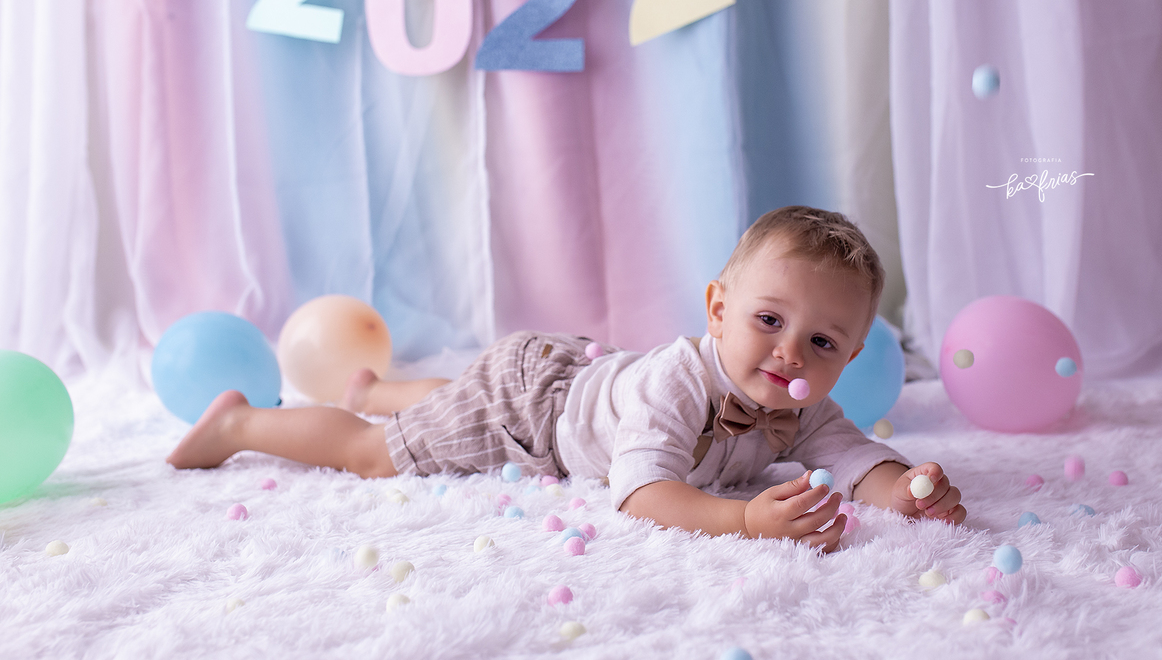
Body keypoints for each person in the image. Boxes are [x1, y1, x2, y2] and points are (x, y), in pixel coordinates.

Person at [168, 206, 965, 550]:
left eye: (821, 341)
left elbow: (860, 461)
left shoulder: (805, 407)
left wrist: (909, 490)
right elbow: (641, 492)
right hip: (532, 405)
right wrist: (744, 522)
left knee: (441, 406)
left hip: (585, 372)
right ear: (717, 309)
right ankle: (240, 423)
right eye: (768, 321)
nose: (790, 353)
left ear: (850, 357)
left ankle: (377, 389)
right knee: (381, 455)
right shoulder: (678, 387)